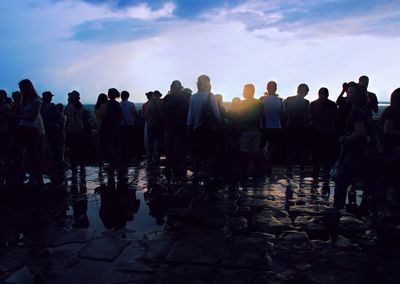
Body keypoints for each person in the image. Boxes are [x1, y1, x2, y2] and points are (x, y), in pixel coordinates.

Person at [333, 82, 379, 213]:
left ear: (358, 96)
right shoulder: (363, 110)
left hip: (354, 150)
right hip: (364, 150)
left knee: (342, 180)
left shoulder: (356, 112)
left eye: (351, 93)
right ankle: (374, 207)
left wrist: (345, 138)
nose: (348, 95)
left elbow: (360, 131)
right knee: (369, 179)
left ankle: (336, 209)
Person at [12, 79, 45, 185]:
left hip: (31, 129)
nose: (21, 90)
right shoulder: (24, 100)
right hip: (23, 127)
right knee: (17, 151)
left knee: (33, 153)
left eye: (22, 88)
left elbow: (33, 117)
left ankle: (36, 177)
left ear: (28, 88)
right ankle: (23, 173)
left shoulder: (36, 100)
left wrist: (16, 116)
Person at [187, 75, 220, 176]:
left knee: (197, 153)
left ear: (198, 84)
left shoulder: (193, 98)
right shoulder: (211, 96)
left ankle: (196, 175)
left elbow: (190, 116)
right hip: (210, 130)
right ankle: (209, 175)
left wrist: (189, 130)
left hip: (197, 130)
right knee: (210, 153)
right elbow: (217, 115)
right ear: (207, 84)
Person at [309, 87, 337, 179]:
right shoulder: (332, 104)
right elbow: (335, 118)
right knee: (327, 153)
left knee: (316, 153)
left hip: (315, 131)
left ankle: (315, 171)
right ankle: (326, 171)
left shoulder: (313, 104)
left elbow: (310, 117)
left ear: (318, 94)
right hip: (327, 132)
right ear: (327, 94)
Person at [162, 80, 189, 175]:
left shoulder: (167, 98)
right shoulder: (184, 99)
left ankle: (169, 166)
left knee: (169, 147)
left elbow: (163, 112)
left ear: (171, 87)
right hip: (181, 126)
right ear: (180, 88)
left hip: (169, 126)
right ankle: (179, 165)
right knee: (180, 146)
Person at [284, 83, 310, 175]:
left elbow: (285, 112)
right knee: (302, 148)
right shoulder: (306, 102)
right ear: (305, 92)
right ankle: (302, 168)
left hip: (290, 125)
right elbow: (307, 116)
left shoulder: (289, 100)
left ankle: (289, 168)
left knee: (290, 148)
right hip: (301, 126)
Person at [238, 84, 263, 177]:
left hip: (245, 130)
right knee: (256, 152)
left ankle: (244, 171)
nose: (243, 92)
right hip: (256, 130)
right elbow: (262, 117)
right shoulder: (259, 103)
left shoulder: (242, 103)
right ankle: (257, 171)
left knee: (244, 152)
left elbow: (239, 116)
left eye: (244, 90)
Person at [260, 81, 283, 176]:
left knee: (261, 146)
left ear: (267, 88)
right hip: (276, 126)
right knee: (272, 147)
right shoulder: (279, 100)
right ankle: (269, 165)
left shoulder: (262, 99)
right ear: (276, 88)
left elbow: (260, 112)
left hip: (264, 126)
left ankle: (263, 163)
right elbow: (282, 113)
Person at [102, 88, 122, 170]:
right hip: (116, 126)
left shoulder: (107, 103)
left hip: (109, 126)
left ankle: (111, 163)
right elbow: (120, 115)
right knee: (116, 145)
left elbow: (104, 115)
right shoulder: (117, 104)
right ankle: (116, 162)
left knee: (110, 145)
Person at [64, 90, 85, 167]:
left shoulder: (70, 106)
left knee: (73, 148)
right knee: (80, 147)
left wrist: (69, 101)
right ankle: (81, 163)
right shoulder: (80, 106)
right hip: (80, 128)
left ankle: (74, 163)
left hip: (72, 129)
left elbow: (65, 111)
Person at [41, 91, 62, 166]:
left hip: (45, 128)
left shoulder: (41, 106)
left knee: (49, 145)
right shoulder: (52, 106)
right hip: (53, 127)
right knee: (55, 146)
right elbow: (57, 116)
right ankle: (58, 162)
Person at [120, 91, 137, 162]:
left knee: (123, 142)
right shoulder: (131, 104)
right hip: (130, 125)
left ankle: (124, 155)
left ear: (121, 96)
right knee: (131, 141)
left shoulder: (119, 104)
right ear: (128, 96)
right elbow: (135, 113)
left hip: (122, 125)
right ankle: (131, 155)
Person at [147, 90, 163, 162]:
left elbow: (148, 113)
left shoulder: (150, 103)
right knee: (159, 140)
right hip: (159, 123)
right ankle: (158, 155)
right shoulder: (162, 103)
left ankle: (151, 155)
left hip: (152, 123)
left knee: (151, 140)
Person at [0, 90, 10, 168]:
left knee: (5, 149)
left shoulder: (6, 106)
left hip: (4, 130)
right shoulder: (7, 106)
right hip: (4, 130)